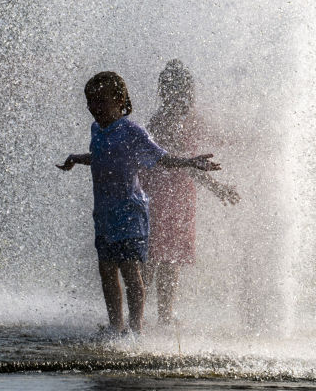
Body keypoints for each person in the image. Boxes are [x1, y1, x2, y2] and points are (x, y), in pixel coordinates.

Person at [57, 71, 220, 335]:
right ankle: (115, 325)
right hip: (104, 214)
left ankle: (135, 328)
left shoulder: (132, 131)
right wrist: (76, 158)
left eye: (101, 101)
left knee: (131, 271)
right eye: (90, 102)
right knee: (106, 269)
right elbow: (100, 156)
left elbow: (160, 157)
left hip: (130, 213)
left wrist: (189, 162)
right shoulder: (97, 129)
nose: (94, 108)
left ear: (120, 100)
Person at [141, 60, 239, 326]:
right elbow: (185, 163)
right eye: (182, 91)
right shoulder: (164, 122)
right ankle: (146, 314)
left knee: (168, 256)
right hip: (162, 194)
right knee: (156, 256)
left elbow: (214, 142)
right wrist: (217, 188)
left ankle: (162, 314)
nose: (187, 97)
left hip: (177, 195)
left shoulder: (181, 119)